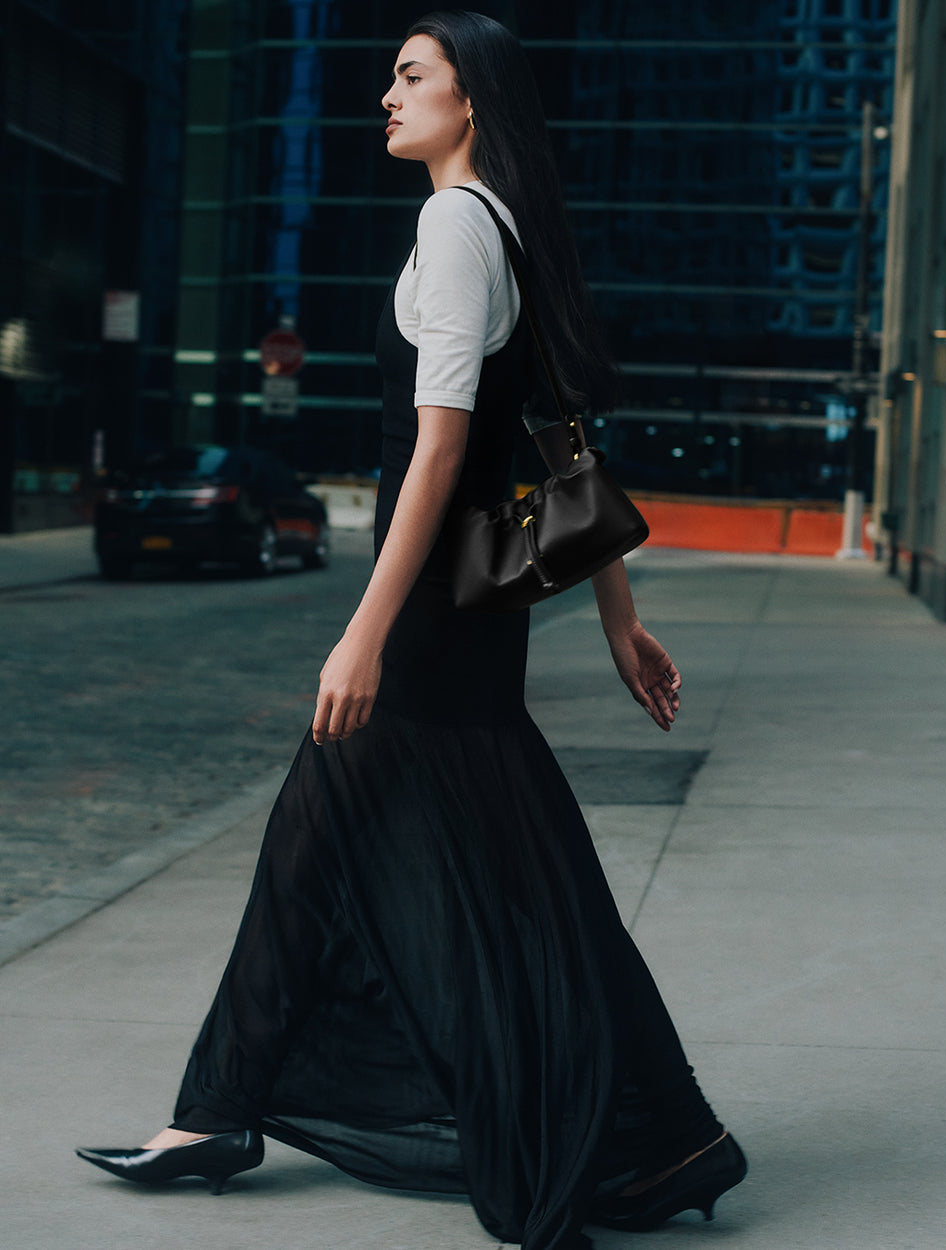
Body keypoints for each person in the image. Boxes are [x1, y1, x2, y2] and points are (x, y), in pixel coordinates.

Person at [76, 12, 746, 1249]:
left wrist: (363, 633)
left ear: (471, 98)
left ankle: (647, 1129)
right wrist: (619, 617)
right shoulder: (506, 228)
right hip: (467, 612)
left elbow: (442, 449)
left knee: (477, 869)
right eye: (391, 73)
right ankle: (218, 1109)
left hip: (433, 613)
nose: (386, 94)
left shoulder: (454, 224)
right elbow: (560, 439)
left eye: (412, 74)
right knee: (384, 849)